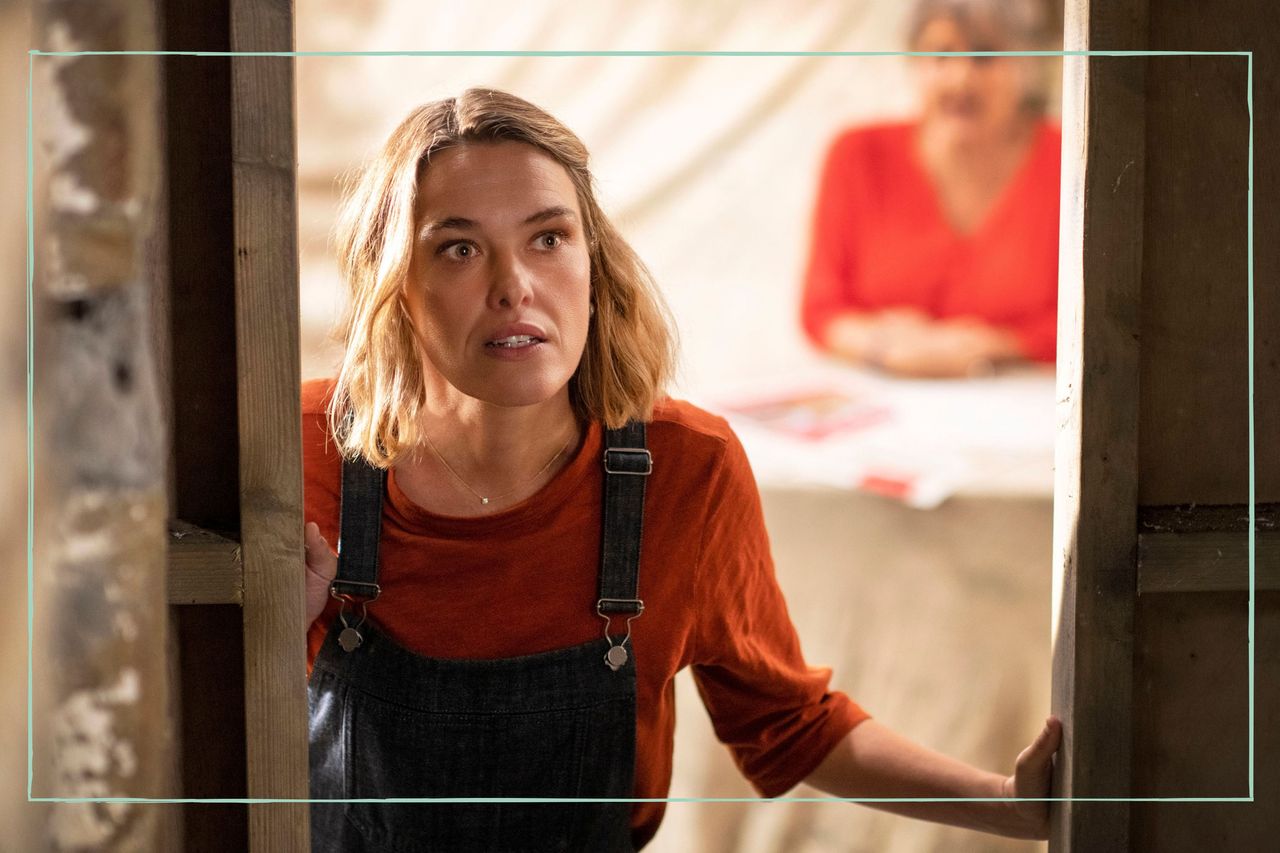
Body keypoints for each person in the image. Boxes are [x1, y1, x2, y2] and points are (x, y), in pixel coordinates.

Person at [302, 87, 1061, 852]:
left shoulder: (685, 471)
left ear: (594, 262)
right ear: (396, 283)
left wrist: (1011, 805)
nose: (514, 286)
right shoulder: (303, 449)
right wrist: (269, 631)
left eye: (548, 238)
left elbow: (787, 722)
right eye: (459, 248)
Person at [801, 0, 1062, 378]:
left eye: (985, 56)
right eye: (941, 56)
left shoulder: (1069, 159)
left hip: (1025, 404)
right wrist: (886, 347)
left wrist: (988, 347)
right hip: (884, 397)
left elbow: (1096, 318)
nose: (961, 78)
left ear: (1028, 65)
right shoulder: (857, 154)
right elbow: (821, 309)